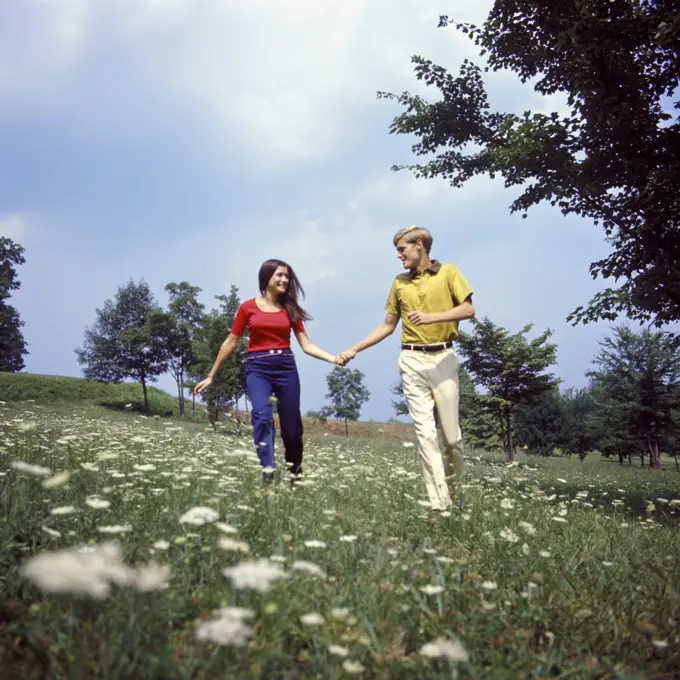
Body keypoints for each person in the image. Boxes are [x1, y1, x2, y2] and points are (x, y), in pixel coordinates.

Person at [339, 226, 475, 510]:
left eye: (402, 249)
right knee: (426, 436)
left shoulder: (449, 272)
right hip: (411, 360)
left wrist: (432, 318)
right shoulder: (399, 283)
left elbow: (467, 309)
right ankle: (441, 505)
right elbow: (388, 325)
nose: (399, 255)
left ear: (420, 245)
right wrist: (355, 348)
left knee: (452, 439)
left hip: (444, 359)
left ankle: (456, 496)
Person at [194, 259, 342, 482]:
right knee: (262, 417)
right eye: (279, 275)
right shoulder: (248, 307)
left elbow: (306, 344)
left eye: (287, 276)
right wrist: (211, 375)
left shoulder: (290, 310)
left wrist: (333, 358)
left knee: (292, 430)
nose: (284, 280)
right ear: (266, 278)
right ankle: (268, 475)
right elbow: (231, 342)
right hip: (257, 367)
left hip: (286, 367)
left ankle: (295, 476)